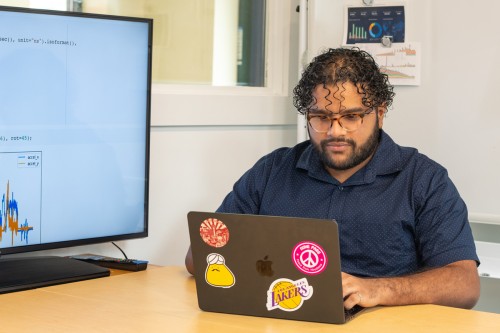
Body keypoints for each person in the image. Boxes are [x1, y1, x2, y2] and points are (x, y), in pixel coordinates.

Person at [185, 48, 480, 310]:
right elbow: (199, 256)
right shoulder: (272, 170)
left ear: (379, 113)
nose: (335, 132)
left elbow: (464, 284)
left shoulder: (424, 179)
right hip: (282, 316)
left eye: (351, 117)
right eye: (321, 117)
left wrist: (378, 289)